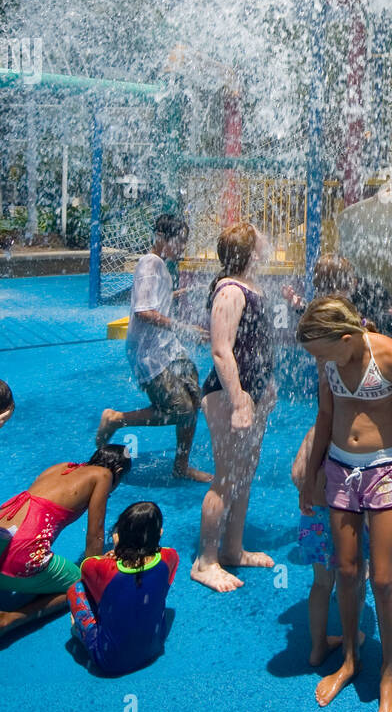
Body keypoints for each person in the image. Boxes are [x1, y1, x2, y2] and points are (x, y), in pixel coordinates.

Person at [296, 296, 392, 712]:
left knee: (382, 577)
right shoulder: (329, 363)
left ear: (345, 338)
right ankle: (350, 660)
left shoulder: (391, 358)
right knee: (345, 570)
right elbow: (325, 415)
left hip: (386, 469)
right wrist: (311, 473)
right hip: (340, 469)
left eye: (322, 352)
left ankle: (389, 671)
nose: (318, 361)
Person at [191, 222, 276, 593]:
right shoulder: (230, 290)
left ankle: (233, 549)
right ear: (250, 251)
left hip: (250, 394)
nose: (266, 242)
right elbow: (221, 350)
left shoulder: (250, 286)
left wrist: (262, 390)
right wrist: (240, 399)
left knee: (244, 474)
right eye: (260, 239)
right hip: (227, 395)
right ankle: (205, 561)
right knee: (225, 477)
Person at [97, 213, 211, 483]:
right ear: (162, 238)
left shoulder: (160, 265)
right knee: (180, 409)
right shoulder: (150, 263)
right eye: (180, 241)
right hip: (149, 354)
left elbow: (154, 300)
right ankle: (116, 419)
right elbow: (144, 311)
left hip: (168, 349)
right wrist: (185, 328)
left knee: (194, 399)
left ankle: (181, 466)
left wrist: (176, 295)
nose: (182, 247)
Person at [0, 446, 131, 636]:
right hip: (19, 558)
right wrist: (95, 576)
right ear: (119, 472)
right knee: (81, 584)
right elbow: (95, 535)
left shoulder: (62, 467)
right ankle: (10, 619)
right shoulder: (104, 475)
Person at [67, 501, 178, 675]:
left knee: (77, 588)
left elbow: (86, 568)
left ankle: (80, 631)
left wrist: (116, 552)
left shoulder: (105, 569)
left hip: (109, 661)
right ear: (160, 533)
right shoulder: (170, 557)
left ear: (118, 536)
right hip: (154, 647)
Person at [291, 434, 367, 665]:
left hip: (314, 518)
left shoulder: (314, 434)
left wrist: (315, 489)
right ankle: (351, 638)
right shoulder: (351, 434)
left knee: (321, 583)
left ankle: (317, 647)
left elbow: (296, 475)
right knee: (356, 580)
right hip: (346, 519)